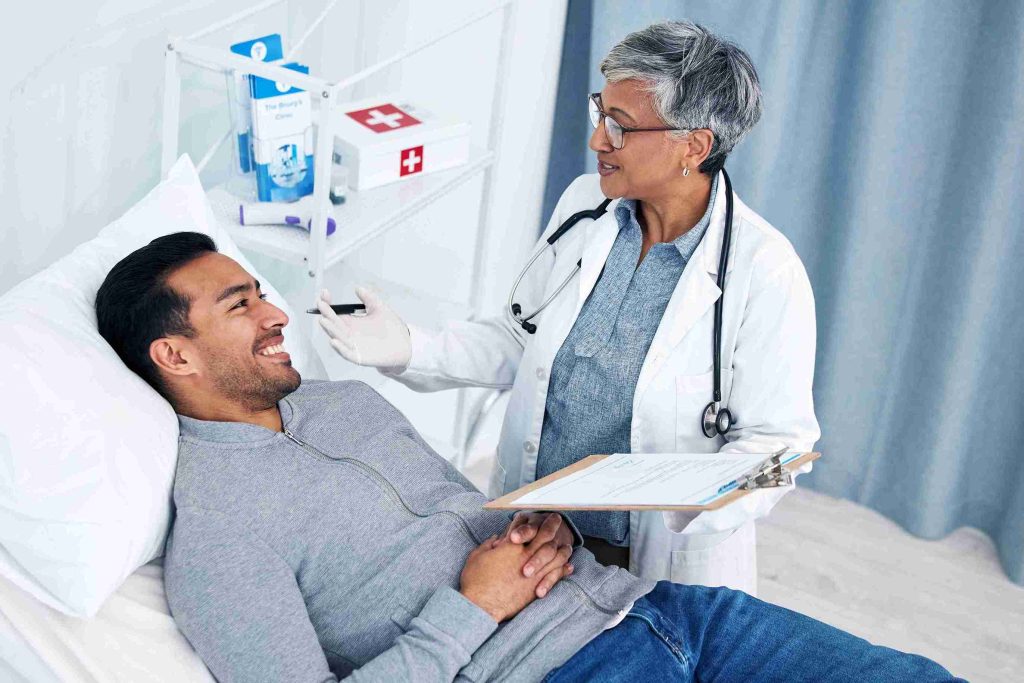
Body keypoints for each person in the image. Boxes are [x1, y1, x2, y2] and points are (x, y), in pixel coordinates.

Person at [93, 231, 960, 682]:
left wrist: (531, 523)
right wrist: (471, 609)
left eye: (262, 292)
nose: (277, 314)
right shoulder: (217, 533)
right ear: (176, 356)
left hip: (663, 610)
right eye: (243, 305)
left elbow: (448, 516)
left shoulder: (342, 402)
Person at [316, 20, 816, 593]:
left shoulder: (765, 272)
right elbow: (521, 341)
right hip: (530, 538)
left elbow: (781, 451)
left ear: (695, 145)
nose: (598, 140)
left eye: (620, 127)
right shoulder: (586, 208)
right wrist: (412, 346)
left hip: (653, 561)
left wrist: (684, 495)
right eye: (600, 112)